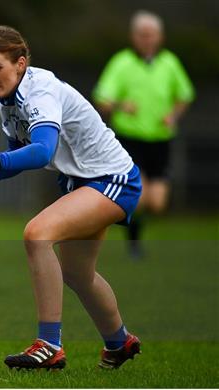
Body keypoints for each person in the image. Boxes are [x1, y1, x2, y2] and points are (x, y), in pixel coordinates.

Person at [0, 25, 142, 370]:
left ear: (20, 63)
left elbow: (42, 152)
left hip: (113, 179)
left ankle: (49, 345)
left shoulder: (40, 90)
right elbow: (17, 157)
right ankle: (119, 342)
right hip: (84, 182)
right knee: (77, 273)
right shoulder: (8, 98)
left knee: (37, 233)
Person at [93, 10, 195, 258]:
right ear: (133, 37)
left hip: (161, 139)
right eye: (142, 35)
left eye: (151, 35)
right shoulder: (121, 62)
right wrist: (120, 106)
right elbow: (101, 99)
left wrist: (173, 115)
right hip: (130, 138)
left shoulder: (170, 63)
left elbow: (185, 96)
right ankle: (133, 243)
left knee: (157, 203)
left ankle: (123, 220)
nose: (147, 39)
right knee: (139, 197)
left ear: (160, 37)